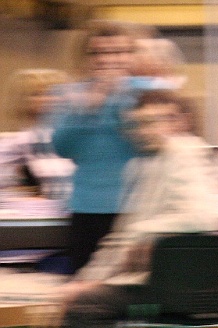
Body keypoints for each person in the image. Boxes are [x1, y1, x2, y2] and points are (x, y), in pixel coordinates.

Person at [60, 89, 218, 328]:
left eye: (153, 121)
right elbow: (119, 241)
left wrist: (147, 233)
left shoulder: (186, 153)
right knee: (80, 299)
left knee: (84, 308)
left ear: (175, 121)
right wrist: (84, 280)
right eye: (136, 124)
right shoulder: (143, 166)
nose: (143, 130)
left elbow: (207, 216)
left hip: (181, 290)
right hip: (165, 283)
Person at [49, 20, 149, 273]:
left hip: (138, 208)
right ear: (86, 57)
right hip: (87, 208)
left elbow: (148, 143)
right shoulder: (69, 94)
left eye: (117, 52)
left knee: (134, 291)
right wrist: (85, 112)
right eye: (99, 52)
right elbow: (62, 147)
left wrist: (118, 101)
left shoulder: (149, 93)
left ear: (131, 55)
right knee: (85, 288)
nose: (107, 59)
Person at [0, 68, 74, 201]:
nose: (48, 99)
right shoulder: (26, 138)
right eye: (37, 94)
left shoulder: (75, 132)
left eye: (54, 92)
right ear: (22, 99)